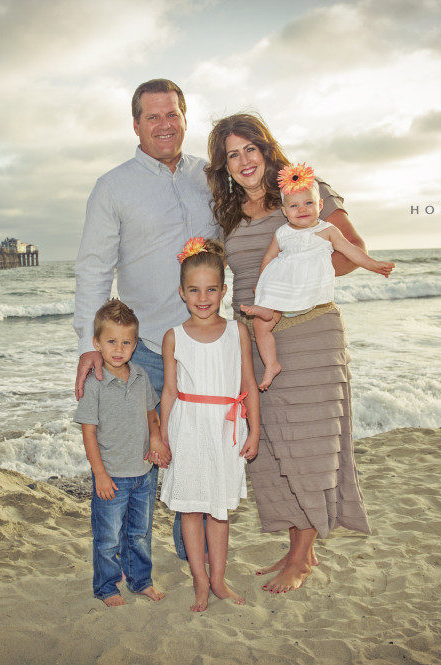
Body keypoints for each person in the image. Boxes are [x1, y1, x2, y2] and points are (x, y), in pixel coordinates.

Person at [206, 112, 373, 594]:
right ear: (225, 167)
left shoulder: (304, 188)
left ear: (265, 148)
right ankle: (299, 544)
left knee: (310, 442)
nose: (243, 161)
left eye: (249, 149)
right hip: (257, 342)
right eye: (232, 155)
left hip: (310, 333)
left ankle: (303, 554)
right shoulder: (228, 213)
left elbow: (350, 250)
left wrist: (295, 284)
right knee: (271, 445)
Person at [74, 78, 217, 559]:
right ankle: (130, 562)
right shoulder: (113, 186)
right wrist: (88, 346)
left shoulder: (211, 176)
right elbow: (95, 267)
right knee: (138, 460)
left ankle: (189, 553)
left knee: (198, 452)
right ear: (135, 124)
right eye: (152, 116)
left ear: (184, 117)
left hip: (208, 346)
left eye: (172, 113)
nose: (164, 124)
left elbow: (267, 204)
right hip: (149, 349)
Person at [158, 238, 260, 612]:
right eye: (195, 290)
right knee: (191, 510)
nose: (203, 298)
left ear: (223, 290)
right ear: (182, 292)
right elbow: (169, 392)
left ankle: (218, 579)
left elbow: (248, 385)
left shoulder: (238, 332)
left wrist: (257, 432)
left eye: (212, 289)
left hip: (225, 430)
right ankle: (199, 581)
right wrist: (163, 438)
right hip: (187, 429)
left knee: (218, 510)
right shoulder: (174, 337)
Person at [241, 163, 395, 391]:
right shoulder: (283, 233)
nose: (302, 209)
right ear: (285, 211)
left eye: (309, 203)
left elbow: (351, 251)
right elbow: (269, 257)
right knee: (261, 326)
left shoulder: (327, 230)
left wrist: (373, 265)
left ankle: (268, 310)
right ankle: (271, 363)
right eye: (294, 205)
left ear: (320, 205)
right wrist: (262, 287)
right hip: (281, 291)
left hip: (307, 291)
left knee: (268, 315)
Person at [74, 299, 168, 607]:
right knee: (108, 538)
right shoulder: (95, 384)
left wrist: (155, 439)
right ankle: (107, 587)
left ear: (135, 344)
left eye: (126, 342)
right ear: (96, 343)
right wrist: (99, 474)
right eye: (111, 341)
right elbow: (88, 431)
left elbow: (151, 414)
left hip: (142, 473)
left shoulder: (140, 376)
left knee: (139, 534)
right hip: (111, 476)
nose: (118, 349)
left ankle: (140, 581)